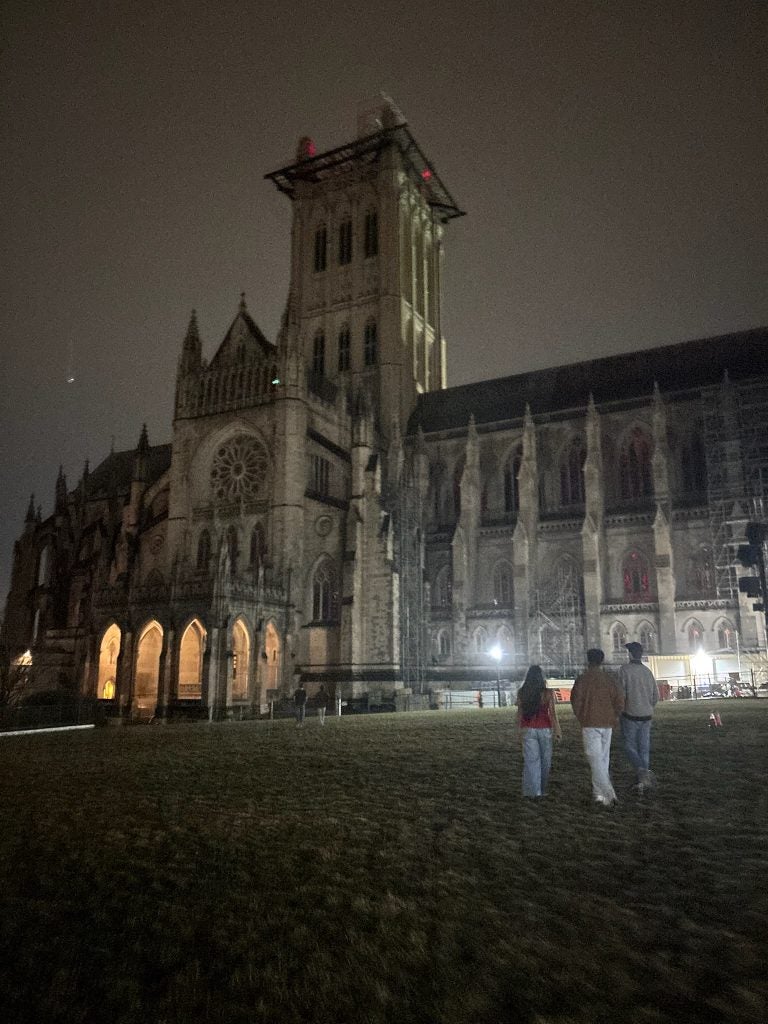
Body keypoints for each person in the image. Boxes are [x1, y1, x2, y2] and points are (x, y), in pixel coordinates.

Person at [570, 648, 624, 806]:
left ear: (588, 660)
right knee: (602, 759)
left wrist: (582, 716)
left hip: (590, 722)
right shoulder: (609, 679)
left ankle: (608, 793)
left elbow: (576, 701)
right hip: (607, 722)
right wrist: (615, 715)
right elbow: (620, 699)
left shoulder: (582, 679)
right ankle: (599, 793)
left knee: (595, 759)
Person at [617, 642, 659, 791]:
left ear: (629, 654)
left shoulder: (624, 670)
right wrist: (648, 706)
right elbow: (656, 696)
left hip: (630, 714)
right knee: (644, 748)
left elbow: (621, 694)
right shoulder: (647, 672)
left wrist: (621, 710)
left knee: (629, 746)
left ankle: (642, 772)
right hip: (646, 715)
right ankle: (643, 779)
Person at [516, 665, 562, 798]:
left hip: (528, 728)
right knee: (545, 761)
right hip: (544, 728)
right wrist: (557, 730)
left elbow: (519, 713)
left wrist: (518, 731)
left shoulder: (522, 692)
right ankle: (541, 789)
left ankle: (533, 791)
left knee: (531, 761)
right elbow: (552, 714)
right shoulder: (548, 693)